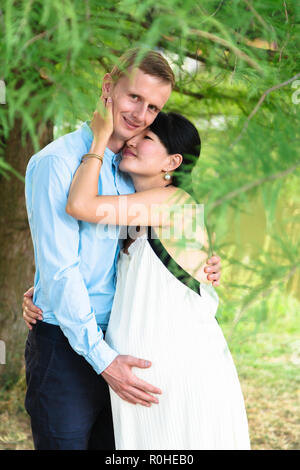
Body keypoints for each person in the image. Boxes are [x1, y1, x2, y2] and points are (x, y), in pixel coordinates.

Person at [23, 49, 222, 450]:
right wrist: (44, 291)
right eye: (134, 97)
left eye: (153, 107)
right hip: (68, 347)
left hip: (126, 346)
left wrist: (206, 263)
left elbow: (153, 252)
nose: (140, 114)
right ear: (108, 87)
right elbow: (61, 269)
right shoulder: (56, 164)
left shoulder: (132, 169)